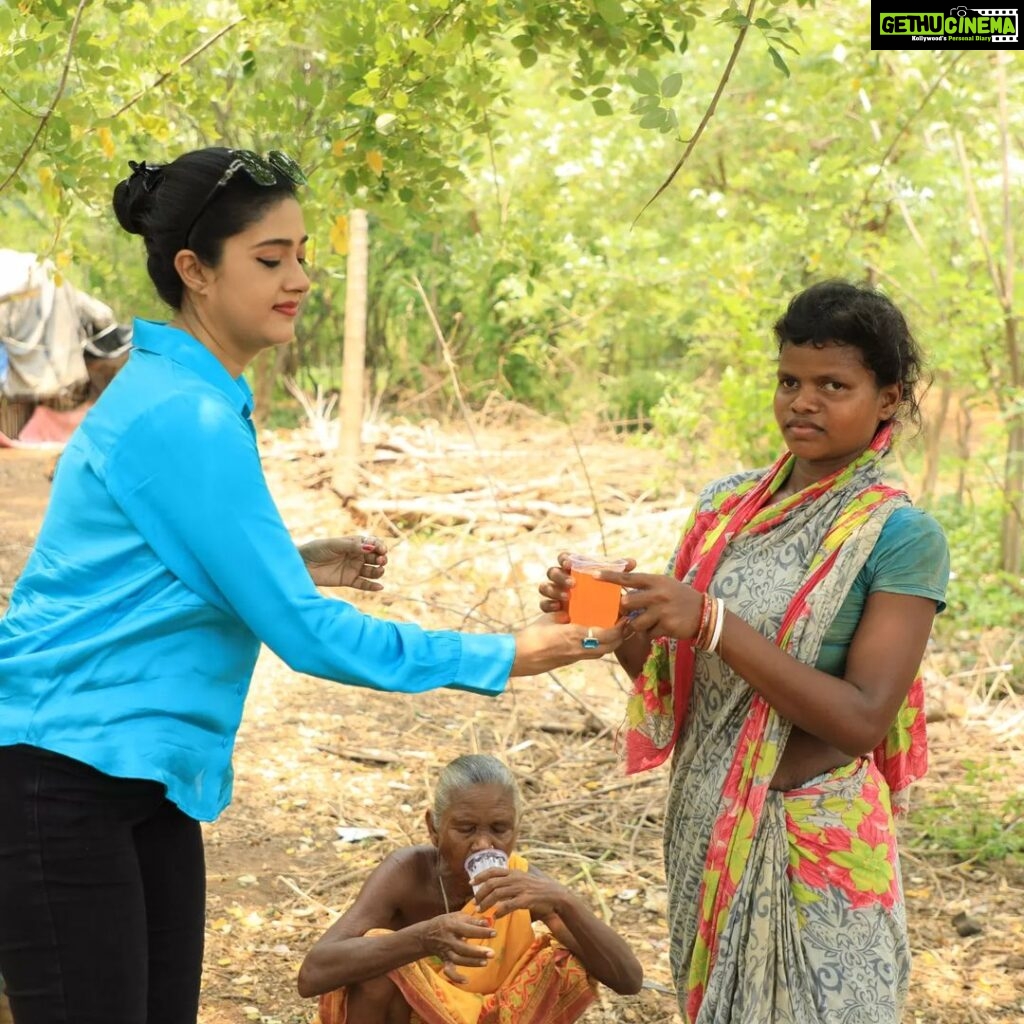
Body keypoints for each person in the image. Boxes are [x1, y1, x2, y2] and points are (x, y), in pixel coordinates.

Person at [0, 147, 622, 1024]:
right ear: (194, 271)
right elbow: (309, 636)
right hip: (61, 770)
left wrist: (281, 564)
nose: (298, 278)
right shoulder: (183, 413)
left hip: (141, 776)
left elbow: (140, 582)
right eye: (269, 258)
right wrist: (509, 652)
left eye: (301, 255)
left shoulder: (192, 394)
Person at [540, 280, 950, 1023]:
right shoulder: (725, 508)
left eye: (834, 385)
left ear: (888, 398)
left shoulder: (900, 537)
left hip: (818, 838)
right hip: (710, 822)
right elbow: (682, 690)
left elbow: (861, 720)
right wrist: (619, 625)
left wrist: (714, 624)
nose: (804, 401)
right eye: (790, 381)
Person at [298, 753, 643, 1023]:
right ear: (433, 828)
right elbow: (313, 974)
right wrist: (422, 939)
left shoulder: (522, 884)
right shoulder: (407, 873)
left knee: (568, 957)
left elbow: (628, 981)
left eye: (499, 829)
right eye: (465, 828)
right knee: (375, 959)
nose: (483, 845)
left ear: (516, 829)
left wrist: (565, 902)